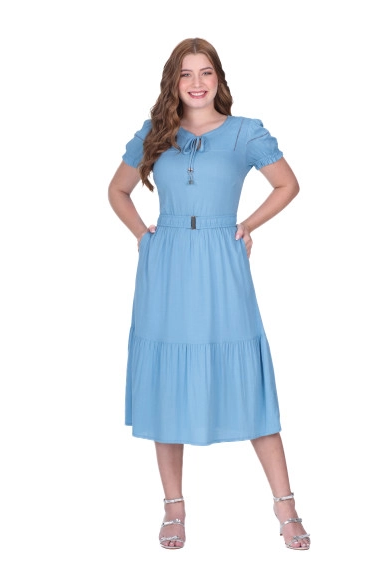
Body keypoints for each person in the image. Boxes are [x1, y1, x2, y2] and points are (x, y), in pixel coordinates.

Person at [108, 37, 310, 551]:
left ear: (218, 78)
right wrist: (143, 236)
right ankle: (173, 507)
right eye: (185, 73)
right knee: (167, 377)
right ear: (173, 82)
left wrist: (247, 225)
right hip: (167, 261)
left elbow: (287, 184)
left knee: (246, 374)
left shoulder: (245, 133)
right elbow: (117, 190)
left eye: (205, 72)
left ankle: (285, 505)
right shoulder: (156, 133)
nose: (196, 83)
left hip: (222, 256)